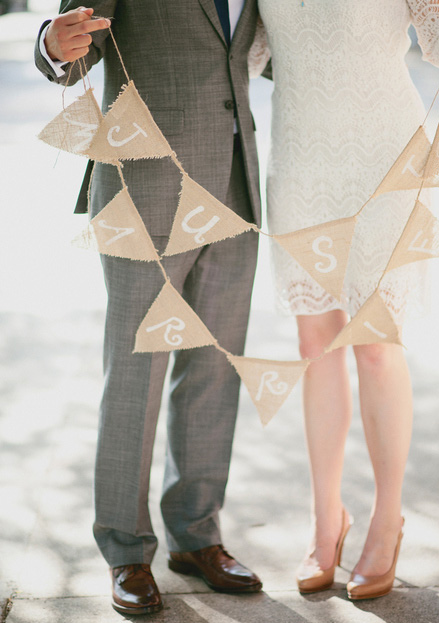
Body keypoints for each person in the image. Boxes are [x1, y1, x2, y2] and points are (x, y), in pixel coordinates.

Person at [35, 0, 264, 615]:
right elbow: (70, 41)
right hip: (145, 186)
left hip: (238, 181)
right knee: (137, 368)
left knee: (214, 369)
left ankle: (196, 536)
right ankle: (126, 549)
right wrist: (54, 45)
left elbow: (271, 54)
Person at [253, 0, 439, 601]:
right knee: (314, 344)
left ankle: (387, 517)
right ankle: (327, 517)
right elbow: (244, 55)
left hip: (384, 157)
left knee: (374, 345)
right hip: (299, 159)